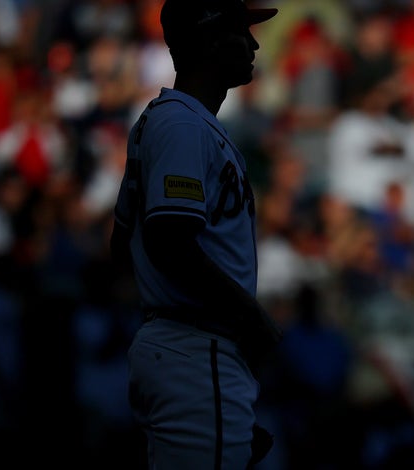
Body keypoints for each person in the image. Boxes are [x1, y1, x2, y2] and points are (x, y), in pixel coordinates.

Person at [110, 1, 282, 468]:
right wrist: (248, 316)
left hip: (187, 346)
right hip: (194, 348)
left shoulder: (177, 121)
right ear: (209, 41)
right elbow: (169, 240)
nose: (253, 43)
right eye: (239, 32)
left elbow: (122, 241)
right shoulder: (182, 124)